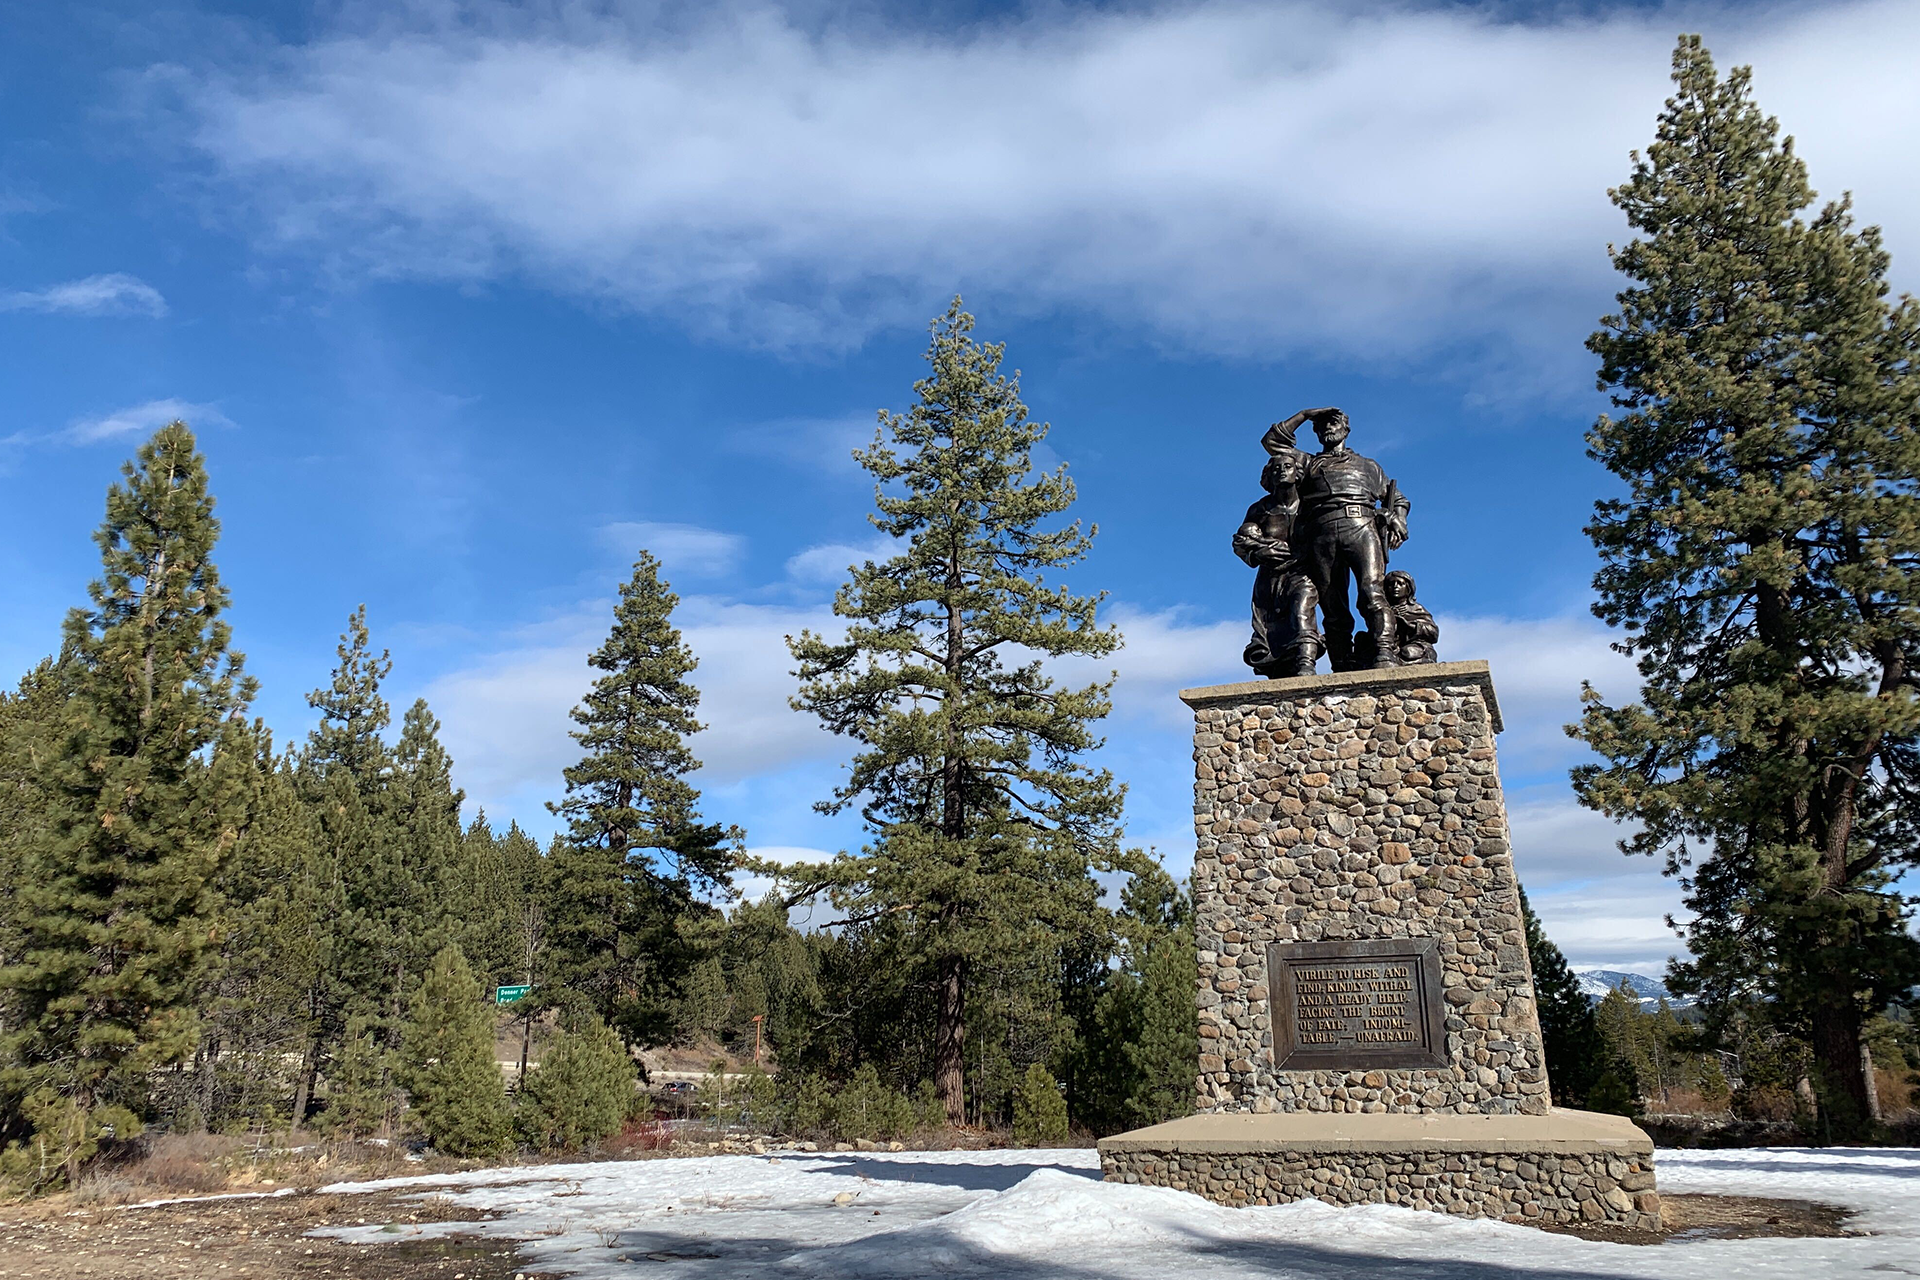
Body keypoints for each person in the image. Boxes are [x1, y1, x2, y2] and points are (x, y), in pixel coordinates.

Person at [1282, 408, 1410, 670]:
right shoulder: (1307, 463)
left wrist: (1399, 519)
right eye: (1321, 425)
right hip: (1322, 534)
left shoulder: (1368, 466)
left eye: (1333, 423)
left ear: (1346, 429)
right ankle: (1341, 662)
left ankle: (1384, 651)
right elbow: (1274, 442)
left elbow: (1398, 499)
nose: (1328, 428)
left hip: (1361, 527)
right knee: (1331, 604)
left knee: (1371, 592)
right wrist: (1305, 415)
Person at [1235, 446, 1322, 677]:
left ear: (1297, 473)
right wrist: (1258, 553)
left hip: (1302, 572)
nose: (1282, 471)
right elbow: (1241, 542)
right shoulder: (1260, 509)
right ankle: (1280, 671)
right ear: (1268, 476)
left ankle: (1306, 663)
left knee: (1301, 611)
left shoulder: (1311, 505)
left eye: (1287, 467)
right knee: (1270, 626)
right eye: (1276, 469)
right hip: (1269, 577)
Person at [1355, 570, 1438, 667]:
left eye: (1400, 584)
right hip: (1390, 647)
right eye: (1391, 584)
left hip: (1412, 645)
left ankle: (1395, 658)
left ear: (1408, 588)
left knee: (1409, 652)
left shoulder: (1416, 608)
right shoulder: (1380, 609)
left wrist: (1407, 625)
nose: (1395, 586)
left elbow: (1433, 633)